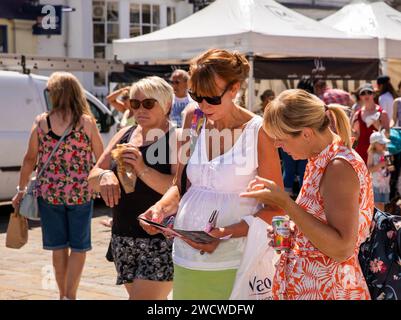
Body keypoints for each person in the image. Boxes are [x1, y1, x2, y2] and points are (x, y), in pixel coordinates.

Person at [139, 49, 283, 300]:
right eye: (196, 96)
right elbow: (181, 186)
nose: (203, 105)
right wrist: (160, 209)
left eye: (212, 98)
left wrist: (225, 232)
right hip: (186, 255)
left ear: (234, 89)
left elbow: (277, 207)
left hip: (236, 260)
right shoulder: (192, 120)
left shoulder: (259, 131)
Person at [241, 89, 374, 300]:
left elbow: (342, 248)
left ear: (306, 133)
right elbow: (317, 225)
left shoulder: (338, 167)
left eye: (281, 139)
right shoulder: (319, 160)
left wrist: (285, 203)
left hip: (331, 290)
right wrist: (288, 235)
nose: (278, 146)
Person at [11, 72, 104, 300]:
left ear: (56, 93)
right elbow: (101, 157)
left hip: (49, 194)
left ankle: (63, 294)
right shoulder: (86, 122)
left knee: (58, 247)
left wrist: (21, 191)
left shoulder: (42, 122)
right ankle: (71, 296)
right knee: (79, 247)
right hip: (80, 193)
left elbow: (29, 159)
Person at [88, 76, 177, 300]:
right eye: (135, 104)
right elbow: (92, 176)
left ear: (166, 105)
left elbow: (178, 186)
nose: (140, 109)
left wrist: (141, 167)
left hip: (161, 237)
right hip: (123, 235)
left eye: (148, 103)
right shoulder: (124, 134)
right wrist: (105, 175)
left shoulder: (177, 138)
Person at [352, 83, 390, 163]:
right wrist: (351, 131)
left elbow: (388, 135)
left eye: (369, 92)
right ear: (360, 97)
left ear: (373, 95)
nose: (366, 95)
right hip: (361, 153)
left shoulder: (382, 113)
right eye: (363, 93)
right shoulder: (357, 114)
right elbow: (356, 137)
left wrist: (378, 126)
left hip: (377, 155)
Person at [367, 131, 391, 211]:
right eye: (381, 143)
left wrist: (389, 166)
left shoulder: (386, 153)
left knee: (382, 204)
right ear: (374, 144)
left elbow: (390, 167)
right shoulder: (372, 154)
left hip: (384, 184)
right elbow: (369, 169)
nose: (384, 145)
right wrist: (380, 165)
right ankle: (377, 221)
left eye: (384, 143)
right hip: (376, 184)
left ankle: (381, 221)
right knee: (377, 204)